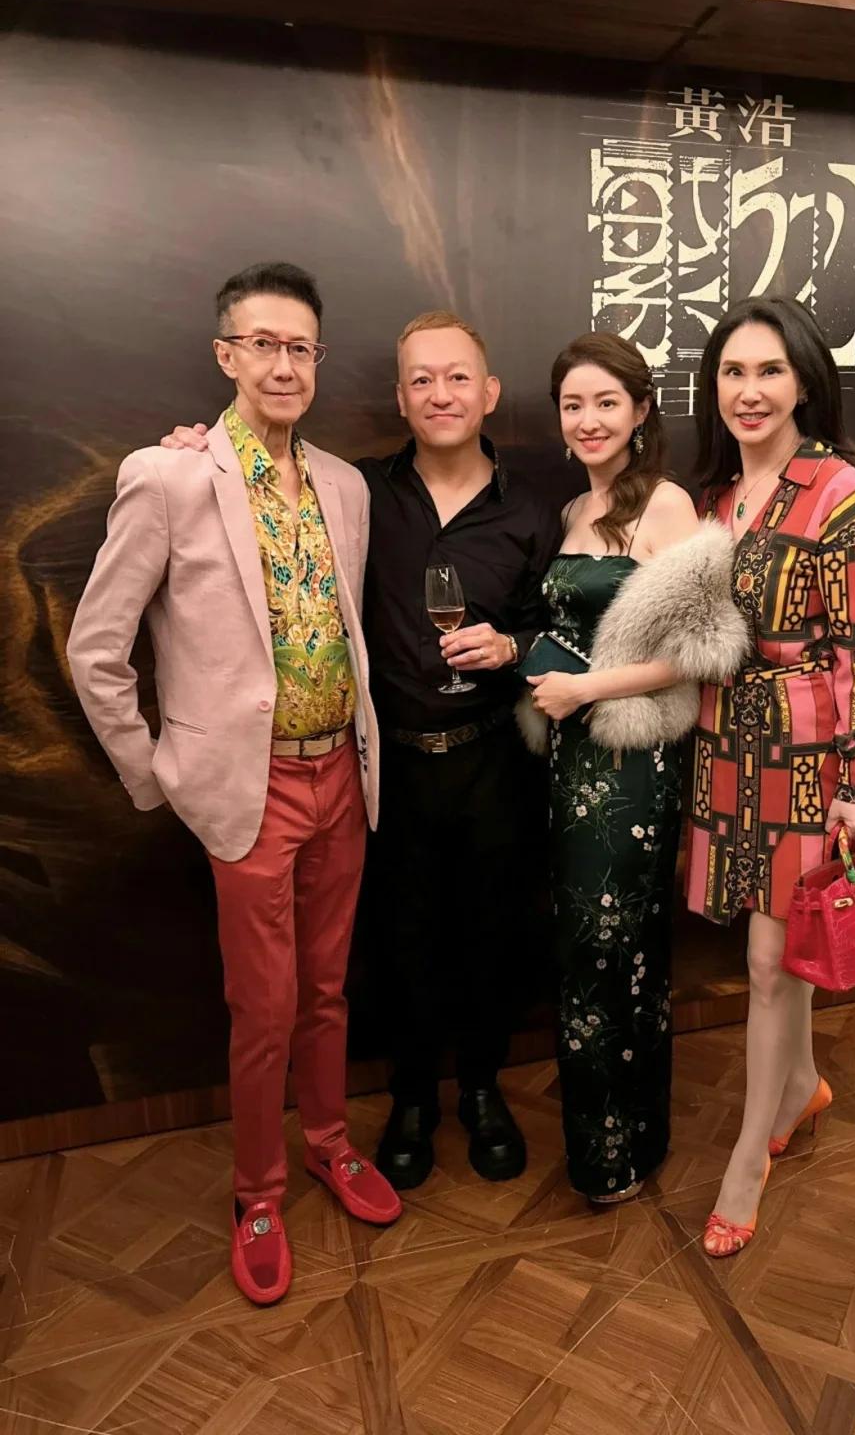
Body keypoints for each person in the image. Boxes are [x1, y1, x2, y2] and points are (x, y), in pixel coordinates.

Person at [162, 311, 559, 1191]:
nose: (441, 394)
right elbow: (248, 493)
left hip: (493, 759)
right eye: (421, 379)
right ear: (400, 399)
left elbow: (556, 631)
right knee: (400, 942)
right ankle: (412, 1101)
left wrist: (514, 646)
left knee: (490, 934)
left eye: (458, 377)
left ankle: (482, 1092)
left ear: (489, 393)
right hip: (390, 765)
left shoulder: (531, 509)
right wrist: (193, 451)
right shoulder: (355, 492)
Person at [68, 262, 401, 1307]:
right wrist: (157, 775)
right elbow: (96, 649)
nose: (284, 364)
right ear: (227, 355)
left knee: (329, 990)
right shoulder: (169, 477)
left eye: (301, 347)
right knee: (263, 1008)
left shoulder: (344, 486)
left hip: (343, 771)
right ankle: (258, 1194)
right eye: (264, 344)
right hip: (245, 792)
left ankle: (330, 1143)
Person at [684, 297, 855, 1257]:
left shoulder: (840, 490)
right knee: (781, 946)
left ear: (805, 380)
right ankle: (803, 1086)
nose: (749, 390)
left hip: (807, 755)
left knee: (772, 963)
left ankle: (745, 1161)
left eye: (768, 370)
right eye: (732, 372)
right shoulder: (715, 496)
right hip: (725, 739)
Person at [520, 334, 747, 1201]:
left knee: (614, 947)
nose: (588, 419)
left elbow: (697, 653)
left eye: (606, 403)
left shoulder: (667, 506)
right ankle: (610, 1147)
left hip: (631, 762)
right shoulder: (575, 511)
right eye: (573, 405)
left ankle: (621, 1152)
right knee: (585, 949)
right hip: (570, 758)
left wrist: (584, 688)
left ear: (642, 411)